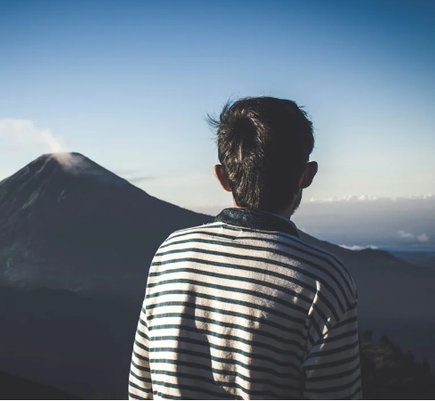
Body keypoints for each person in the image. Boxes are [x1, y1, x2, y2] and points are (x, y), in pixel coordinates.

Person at [128, 97, 361, 399]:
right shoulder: (324, 279)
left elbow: (140, 389)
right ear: (307, 174)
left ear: (222, 176)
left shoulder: (170, 254)